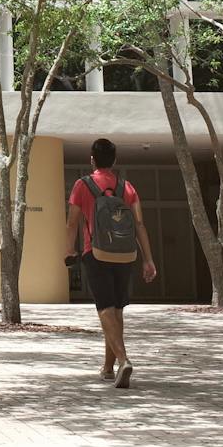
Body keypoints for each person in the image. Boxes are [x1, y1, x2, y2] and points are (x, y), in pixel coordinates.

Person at [63, 137, 158, 389]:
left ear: (92, 160)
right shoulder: (127, 187)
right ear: (114, 160)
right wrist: (147, 259)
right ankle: (108, 367)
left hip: (95, 252)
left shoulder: (82, 185)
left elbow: (72, 222)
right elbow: (139, 224)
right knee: (116, 310)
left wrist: (68, 250)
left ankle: (124, 360)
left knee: (104, 309)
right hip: (125, 254)